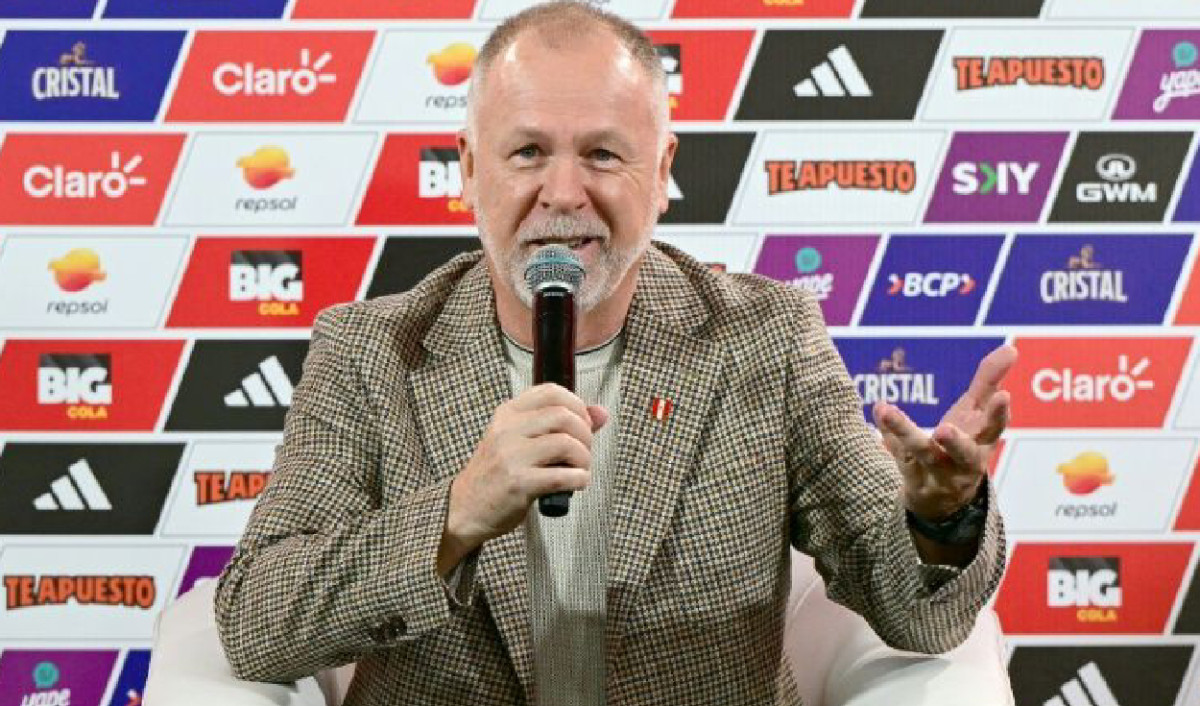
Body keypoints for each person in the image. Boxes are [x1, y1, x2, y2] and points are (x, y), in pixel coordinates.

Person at [213, 3, 1015, 704]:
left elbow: (917, 614)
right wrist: (457, 514)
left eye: (602, 154)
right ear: (469, 169)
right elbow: (258, 624)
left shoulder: (768, 337)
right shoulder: (369, 351)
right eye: (528, 152)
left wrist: (939, 519)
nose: (564, 193)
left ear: (661, 173)